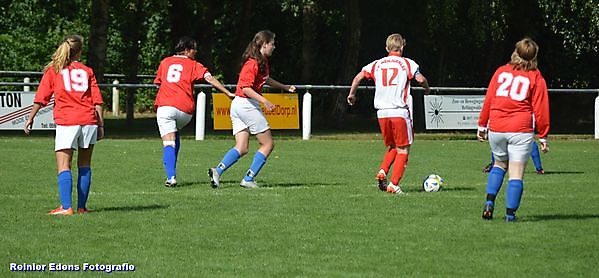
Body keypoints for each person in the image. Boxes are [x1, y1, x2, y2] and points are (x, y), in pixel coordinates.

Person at [24, 35, 104, 215]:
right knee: (85, 165)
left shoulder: (54, 70)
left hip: (67, 121)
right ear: (80, 51)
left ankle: (66, 207)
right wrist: (101, 125)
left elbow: (41, 97)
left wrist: (30, 117)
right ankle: (82, 208)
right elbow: (97, 101)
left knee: (64, 164)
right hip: (89, 120)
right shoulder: (87, 71)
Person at [208, 30, 296, 189]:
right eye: (272, 43)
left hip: (239, 105)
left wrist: (284, 87)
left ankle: (217, 171)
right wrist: (265, 101)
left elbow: (266, 79)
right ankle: (248, 179)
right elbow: (246, 88)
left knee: (242, 147)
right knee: (268, 144)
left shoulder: (261, 61)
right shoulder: (252, 63)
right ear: (264, 44)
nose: (274, 47)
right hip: (246, 104)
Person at [346, 33, 430, 194]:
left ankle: (383, 171)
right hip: (398, 111)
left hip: (382, 113)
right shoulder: (407, 63)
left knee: (393, 146)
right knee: (404, 149)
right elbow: (420, 79)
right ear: (402, 47)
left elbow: (357, 78)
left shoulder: (377, 64)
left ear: (387, 48)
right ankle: (394, 184)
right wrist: (427, 89)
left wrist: (352, 94)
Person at [477, 37, 550, 222]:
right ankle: (510, 215)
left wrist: (481, 124)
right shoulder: (535, 76)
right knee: (516, 173)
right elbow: (541, 108)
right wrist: (543, 135)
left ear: (515, 52)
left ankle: (489, 202)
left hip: (497, 126)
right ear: (534, 57)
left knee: (499, 164)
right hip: (520, 128)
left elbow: (489, 99)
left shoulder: (501, 71)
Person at [154, 37, 233, 187]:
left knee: (168, 143)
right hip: (185, 111)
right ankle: (172, 171)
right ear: (187, 50)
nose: (196, 52)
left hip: (166, 106)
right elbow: (209, 78)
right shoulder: (193, 64)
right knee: (175, 135)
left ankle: (171, 177)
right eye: (194, 49)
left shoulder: (165, 62)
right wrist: (227, 93)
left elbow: (158, 83)